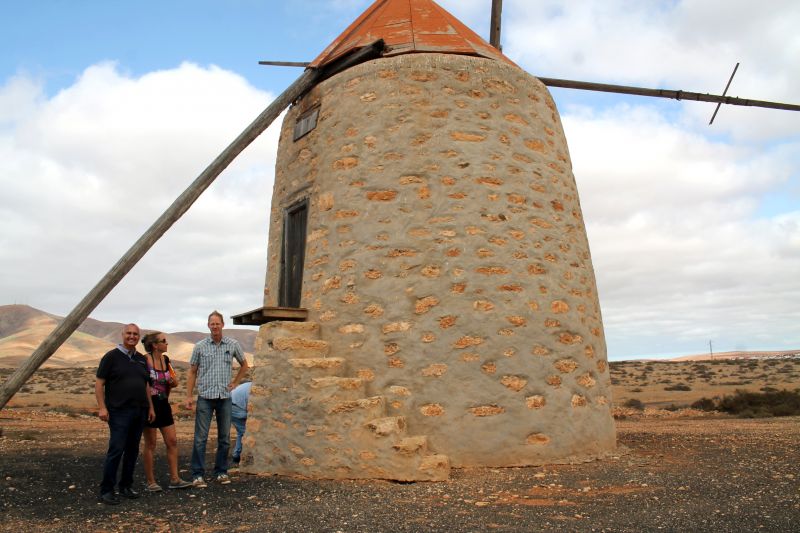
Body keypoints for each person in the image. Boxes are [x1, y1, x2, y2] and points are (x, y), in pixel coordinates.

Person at [184, 310, 249, 487]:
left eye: (217, 323)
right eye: (211, 323)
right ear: (208, 326)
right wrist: (189, 396)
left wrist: (236, 382)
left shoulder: (232, 344)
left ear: (222, 325)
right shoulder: (200, 346)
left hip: (225, 397)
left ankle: (221, 471)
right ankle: (197, 474)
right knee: (200, 438)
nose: (214, 326)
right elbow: (192, 371)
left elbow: (244, 365)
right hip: (205, 396)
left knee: (224, 437)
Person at [95, 323, 155, 505]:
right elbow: (99, 383)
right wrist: (102, 407)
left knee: (132, 450)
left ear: (139, 337)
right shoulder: (111, 357)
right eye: (129, 333)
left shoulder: (141, 359)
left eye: (135, 334)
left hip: (140, 410)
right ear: (122, 334)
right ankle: (106, 490)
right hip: (119, 411)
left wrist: (150, 407)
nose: (132, 336)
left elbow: (146, 385)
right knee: (116, 450)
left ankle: (126, 486)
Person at [140, 331, 192, 491]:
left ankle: (175, 479)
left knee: (172, 441)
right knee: (151, 443)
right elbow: (143, 384)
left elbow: (173, 380)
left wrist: (173, 381)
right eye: (164, 341)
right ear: (155, 345)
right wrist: (149, 407)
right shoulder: (145, 360)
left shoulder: (166, 360)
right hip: (149, 405)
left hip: (163, 404)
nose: (167, 343)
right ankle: (150, 481)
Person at [230, 380, 252, 467]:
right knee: (246, 432)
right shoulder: (254, 389)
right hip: (235, 407)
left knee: (241, 432)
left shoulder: (248, 385)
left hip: (231, 405)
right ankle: (243, 456)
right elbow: (250, 408)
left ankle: (237, 454)